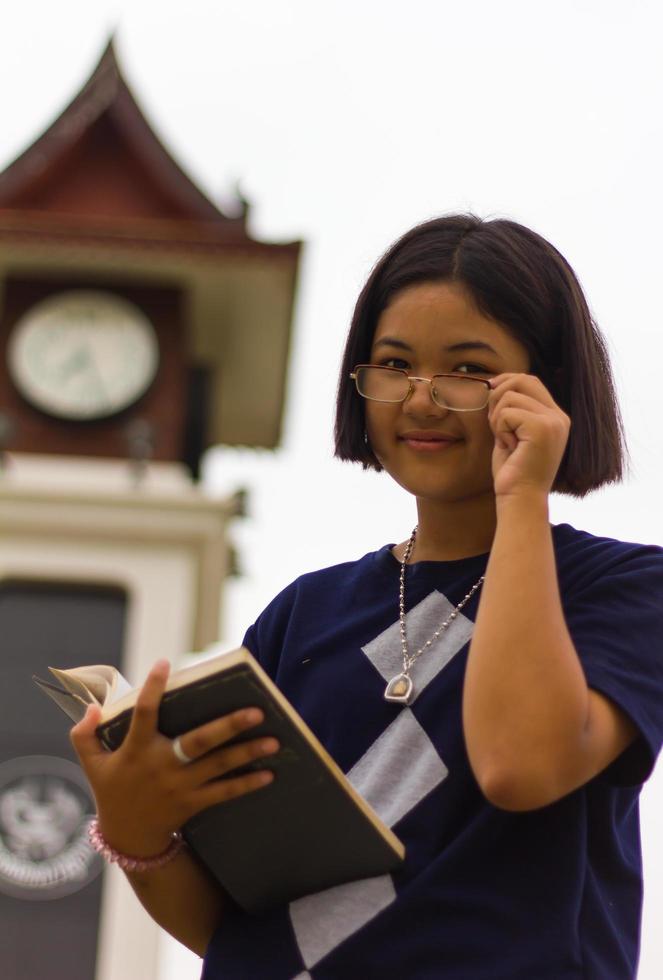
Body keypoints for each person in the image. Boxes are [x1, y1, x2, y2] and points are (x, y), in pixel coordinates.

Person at [71, 214, 663, 979]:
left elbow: (519, 765)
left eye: (466, 369)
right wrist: (137, 828)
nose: (419, 400)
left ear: (544, 389)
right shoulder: (302, 613)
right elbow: (237, 929)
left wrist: (523, 498)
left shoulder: (623, 591)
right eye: (392, 363)